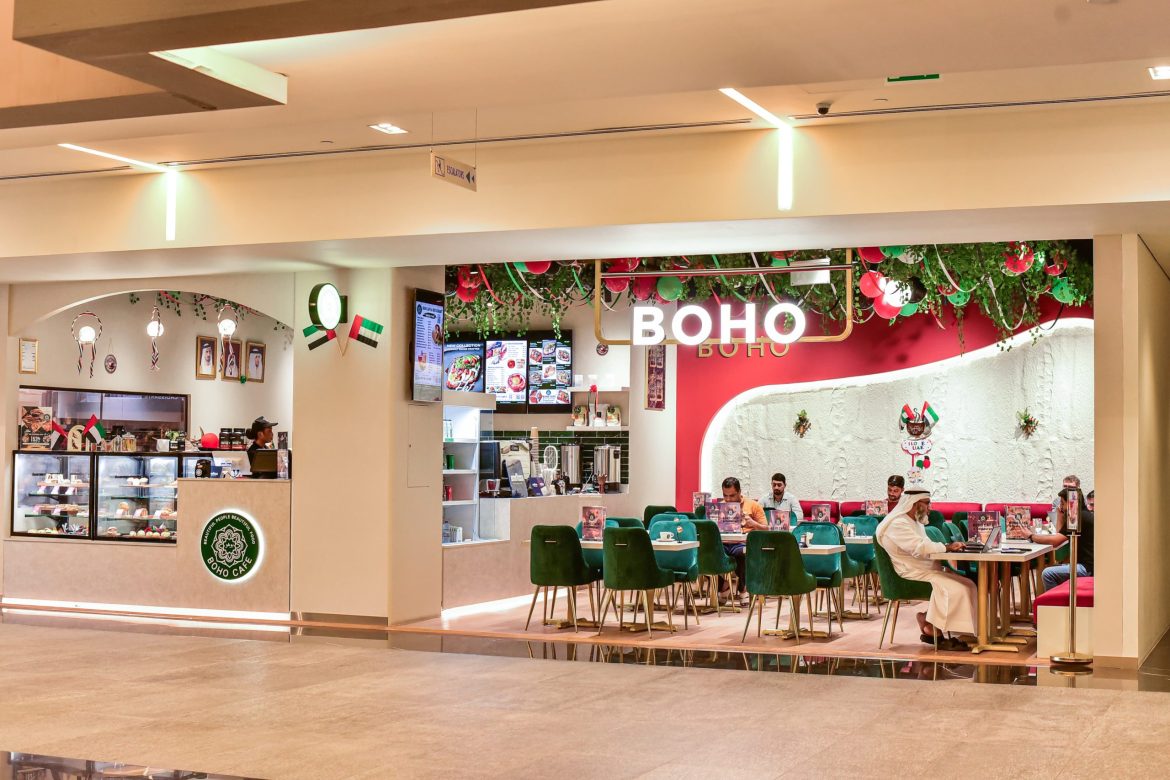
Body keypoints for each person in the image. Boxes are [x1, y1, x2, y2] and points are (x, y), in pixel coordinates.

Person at [876, 489, 977, 649]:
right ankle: (933, 628)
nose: (930, 508)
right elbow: (919, 547)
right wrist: (947, 547)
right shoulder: (898, 524)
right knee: (958, 588)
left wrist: (946, 547)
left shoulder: (914, 522)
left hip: (926, 569)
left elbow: (924, 546)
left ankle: (930, 621)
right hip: (911, 573)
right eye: (927, 503)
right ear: (915, 504)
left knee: (969, 584)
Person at [719, 476, 767, 606]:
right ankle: (723, 585)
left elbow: (767, 528)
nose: (728, 499)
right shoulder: (720, 506)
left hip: (743, 543)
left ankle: (743, 587)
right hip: (724, 542)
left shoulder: (753, 505)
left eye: (732, 495)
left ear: (740, 492)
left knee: (742, 553)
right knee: (707, 553)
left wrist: (753, 523)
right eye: (725, 495)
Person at [1033, 487, 1094, 590]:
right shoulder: (1082, 514)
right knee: (1054, 569)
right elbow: (1059, 534)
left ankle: (1055, 600)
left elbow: (1055, 542)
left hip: (1087, 568)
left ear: (1070, 503)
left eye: (1062, 503)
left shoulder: (1077, 518)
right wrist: (1060, 515)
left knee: (1047, 574)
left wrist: (1031, 536)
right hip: (1087, 565)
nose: (1061, 506)